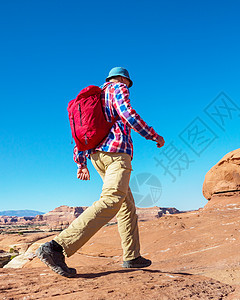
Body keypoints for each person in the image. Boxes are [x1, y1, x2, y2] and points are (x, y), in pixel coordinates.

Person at [36, 67, 165, 277]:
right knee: (112, 199)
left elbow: (82, 134)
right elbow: (127, 113)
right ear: (124, 79)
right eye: (127, 82)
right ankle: (56, 247)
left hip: (97, 157)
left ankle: (132, 256)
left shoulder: (94, 98)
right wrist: (153, 135)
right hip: (116, 154)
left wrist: (81, 163)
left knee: (126, 205)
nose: (127, 86)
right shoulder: (118, 88)